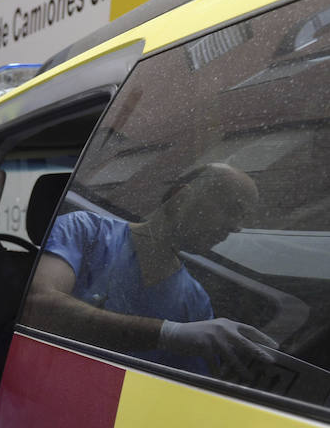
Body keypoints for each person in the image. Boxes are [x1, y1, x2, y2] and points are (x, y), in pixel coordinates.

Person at [25, 161, 278, 378]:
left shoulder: (196, 301)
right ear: (182, 198)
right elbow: (38, 306)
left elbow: (189, 390)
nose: (236, 228)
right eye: (231, 210)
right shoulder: (84, 231)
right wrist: (168, 332)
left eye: (242, 218)